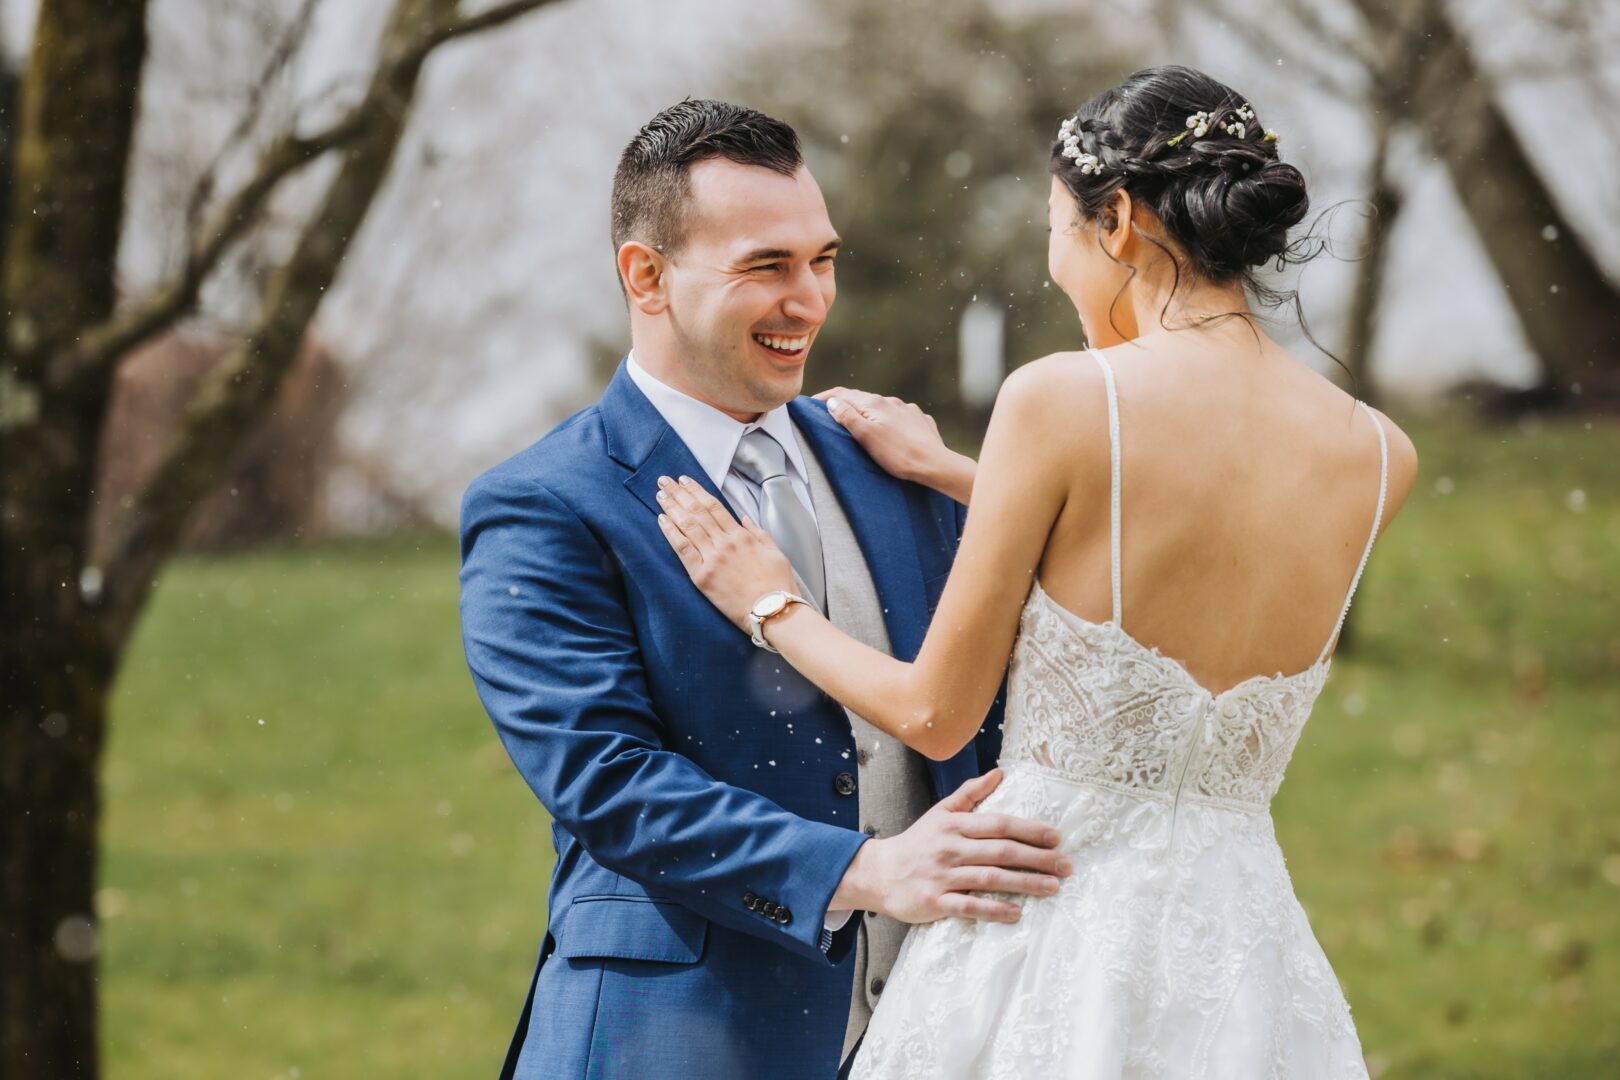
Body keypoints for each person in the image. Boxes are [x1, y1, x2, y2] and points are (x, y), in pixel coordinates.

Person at [653, 65, 1420, 1077]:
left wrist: (769, 600)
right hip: (1244, 958)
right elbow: (1180, 546)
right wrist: (960, 473)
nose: (1057, 268)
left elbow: (935, 715)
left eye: (1058, 231)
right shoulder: (1380, 452)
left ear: (1119, 224)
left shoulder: (1063, 399)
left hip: (1048, 923)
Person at [457, 99, 1071, 1080]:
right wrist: (866, 871)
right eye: (766, 267)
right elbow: (607, 779)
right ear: (646, 276)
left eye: (822, 260)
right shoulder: (545, 503)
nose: (810, 300)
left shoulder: (894, 461)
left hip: (937, 1033)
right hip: (673, 1041)